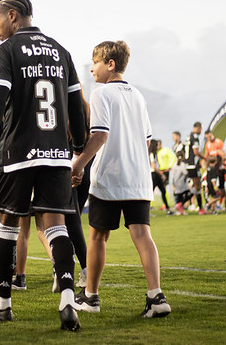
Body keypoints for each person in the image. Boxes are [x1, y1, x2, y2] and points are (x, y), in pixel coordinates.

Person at [0, 0, 87, 332]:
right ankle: (68, 298)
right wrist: (79, 145)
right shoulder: (60, 50)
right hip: (56, 154)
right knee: (56, 226)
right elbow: (75, 103)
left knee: (8, 226)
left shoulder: (6, 51)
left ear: (12, 15)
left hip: (18, 153)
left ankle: (4, 305)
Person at [71, 41, 171, 319]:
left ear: (110, 64)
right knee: (142, 235)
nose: (92, 68)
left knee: (98, 236)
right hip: (139, 177)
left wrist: (77, 165)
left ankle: (90, 297)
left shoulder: (101, 93)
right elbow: (147, 140)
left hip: (110, 178)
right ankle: (156, 296)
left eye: (96, 63)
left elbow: (100, 135)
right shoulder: (138, 96)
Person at [183, 122, 205, 214]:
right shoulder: (195, 137)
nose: (201, 131)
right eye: (201, 129)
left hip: (187, 164)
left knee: (195, 186)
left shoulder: (188, 136)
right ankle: (200, 209)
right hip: (193, 165)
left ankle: (183, 203)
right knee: (198, 186)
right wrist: (205, 158)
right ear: (198, 127)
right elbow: (196, 152)